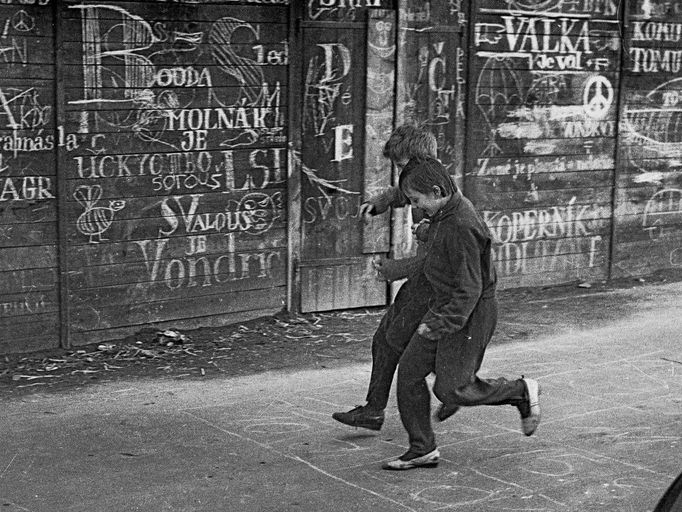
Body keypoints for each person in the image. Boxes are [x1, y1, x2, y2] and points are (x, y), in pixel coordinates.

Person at [382, 157, 541, 470]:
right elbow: (442, 251)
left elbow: (469, 287)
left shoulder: (461, 224)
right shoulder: (446, 211)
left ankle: (520, 391)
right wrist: (429, 232)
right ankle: (422, 448)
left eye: (416, 201)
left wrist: (442, 324)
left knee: (452, 388)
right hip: (446, 305)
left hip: (470, 312)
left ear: (437, 190)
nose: (416, 207)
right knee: (411, 370)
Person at [332, 124, 438, 431]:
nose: (401, 174)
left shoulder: (439, 197)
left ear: (421, 163)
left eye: (403, 166)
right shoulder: (419, 181)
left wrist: (396, 270)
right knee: (386, 341)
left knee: (399, 343)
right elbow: (400, 193)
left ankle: (460, 388)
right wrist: (378, 203)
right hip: (420, 280)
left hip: (431, 283)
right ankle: (374, 410)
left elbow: (437, 259)